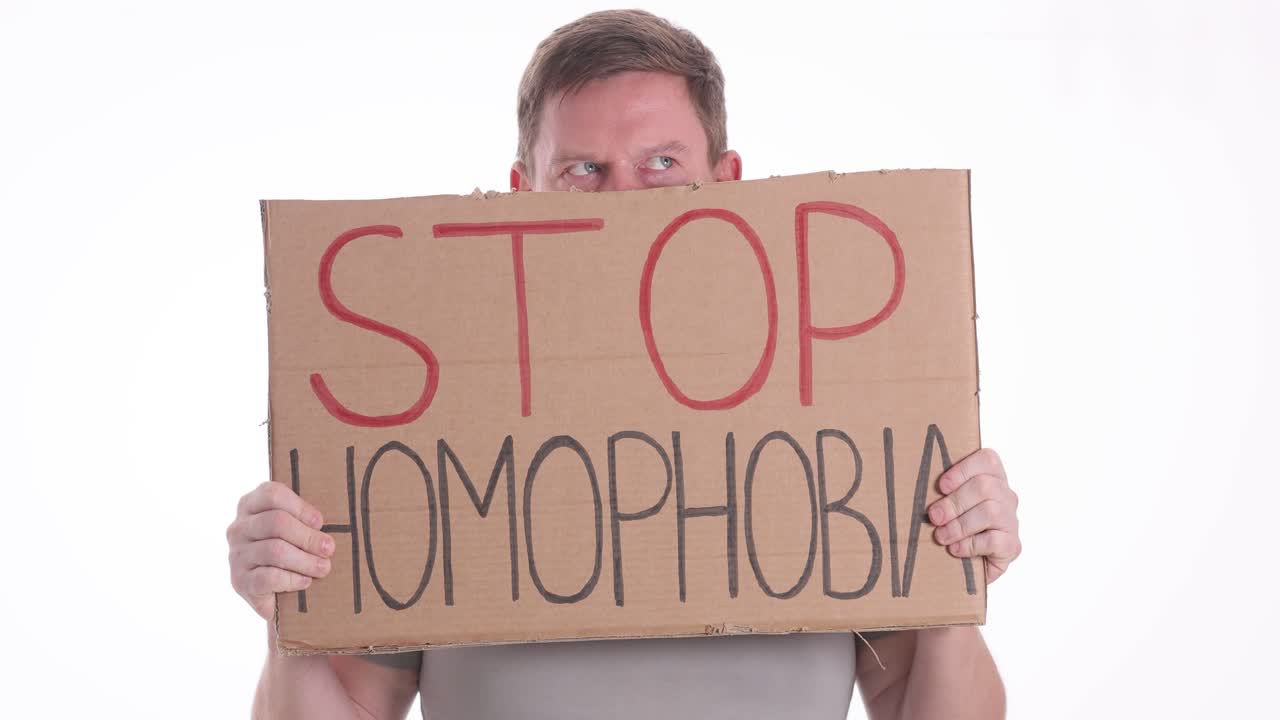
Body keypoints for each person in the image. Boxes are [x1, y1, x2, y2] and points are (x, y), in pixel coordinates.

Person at [227, 10, 1022, 719]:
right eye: (584, 169)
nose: (624, 199)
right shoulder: (432, 422)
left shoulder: (838, 404)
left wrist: (954, 577)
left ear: (727, 183)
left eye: (661, 163)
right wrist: (288, 610)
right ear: (522, 193)